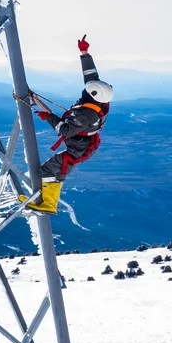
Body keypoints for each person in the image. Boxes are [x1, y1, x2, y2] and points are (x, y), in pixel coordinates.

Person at [20, 35, 113, 214]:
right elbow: (91, 77)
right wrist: (84, 53)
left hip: (79, 148)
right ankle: (44, 200)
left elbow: (65, 130)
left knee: (50, 169)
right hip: (83, 144)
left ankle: (48, 204)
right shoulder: (99, 99)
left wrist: (49, 117)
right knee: (53, 168)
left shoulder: (86, 114)